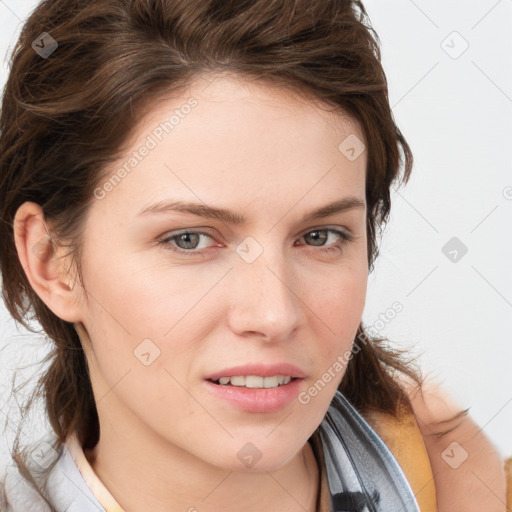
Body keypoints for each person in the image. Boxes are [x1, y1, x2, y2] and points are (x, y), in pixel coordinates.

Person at [0, 0, 509, 511]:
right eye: (189, 240)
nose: (274, 314)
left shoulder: (460, 473)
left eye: (320, 236)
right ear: (51, 262)